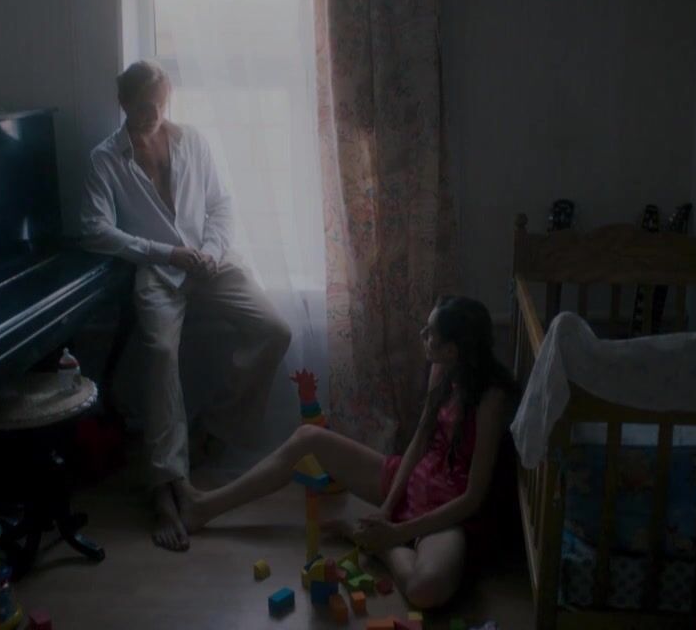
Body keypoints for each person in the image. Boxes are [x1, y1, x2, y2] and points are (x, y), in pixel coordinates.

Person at [180, 296, 516, 609]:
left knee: (424, 589)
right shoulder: (442, 368)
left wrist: (398, 533)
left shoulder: (491, 398)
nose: (422, 335)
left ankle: (379, 544)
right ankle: (205, 506)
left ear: (453, 351)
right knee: (308, 438)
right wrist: (386, 509)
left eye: (430, 334)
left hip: (448, 509)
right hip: (417, 480)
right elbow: (419, 441)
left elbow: (472, 498)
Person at [81, 60, 292, 552]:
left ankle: (212, 430)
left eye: (157, 105)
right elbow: (94, 230)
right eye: (140, 107)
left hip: (210, 262)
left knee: (275, 330)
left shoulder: (192, 141)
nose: (149, 115)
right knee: (159, 353)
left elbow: (220, 204)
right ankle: (165, 487)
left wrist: (211, 252)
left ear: (168, 97)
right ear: (122, 103)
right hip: (157, 271)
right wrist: (166, 253)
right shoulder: (104, 159)